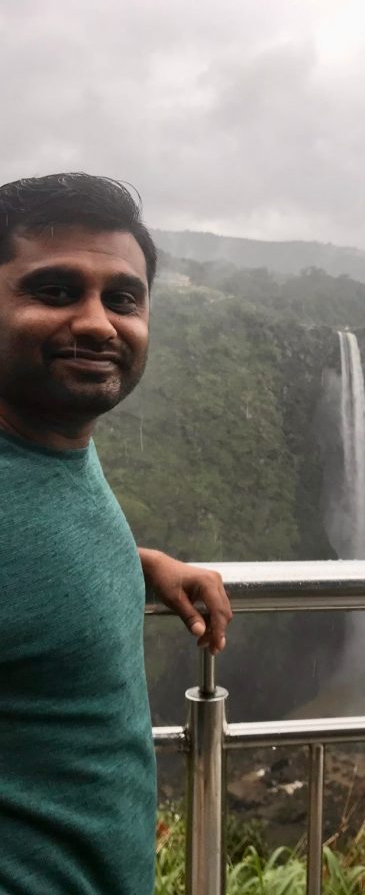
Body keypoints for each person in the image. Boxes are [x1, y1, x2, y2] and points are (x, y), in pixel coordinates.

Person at [0, 172, 233, 894]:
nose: (99, 323)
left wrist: (133, 563)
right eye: (56, 291)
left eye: (122, 299)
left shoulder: (56, 439)